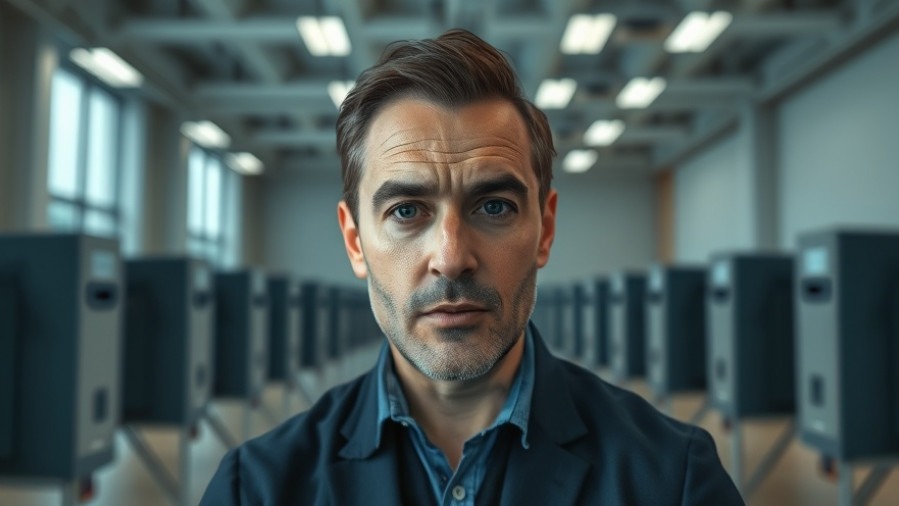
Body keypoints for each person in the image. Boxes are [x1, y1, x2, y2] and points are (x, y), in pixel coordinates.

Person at [200, 29, 743, 505]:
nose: (452, 258)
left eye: (494, 207)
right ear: (355, 240)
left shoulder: (673, 482)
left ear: (545, 229)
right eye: (407, 211)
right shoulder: (257, 489)